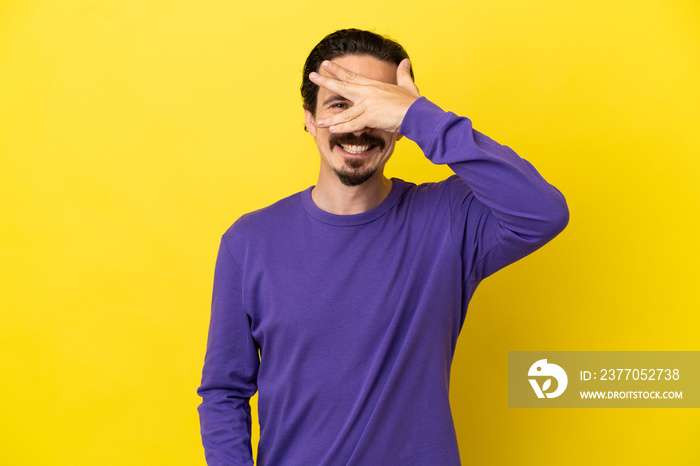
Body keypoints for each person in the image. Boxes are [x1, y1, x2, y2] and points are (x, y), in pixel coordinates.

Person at [197, 28, 568, 465]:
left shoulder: (447, 218)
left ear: (399, 126)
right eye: (340, 105)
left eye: (376, 108)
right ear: (310, 118)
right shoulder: (249, 242)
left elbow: (543, 212)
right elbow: (224, 391)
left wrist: (421, 117)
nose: (358, 126)